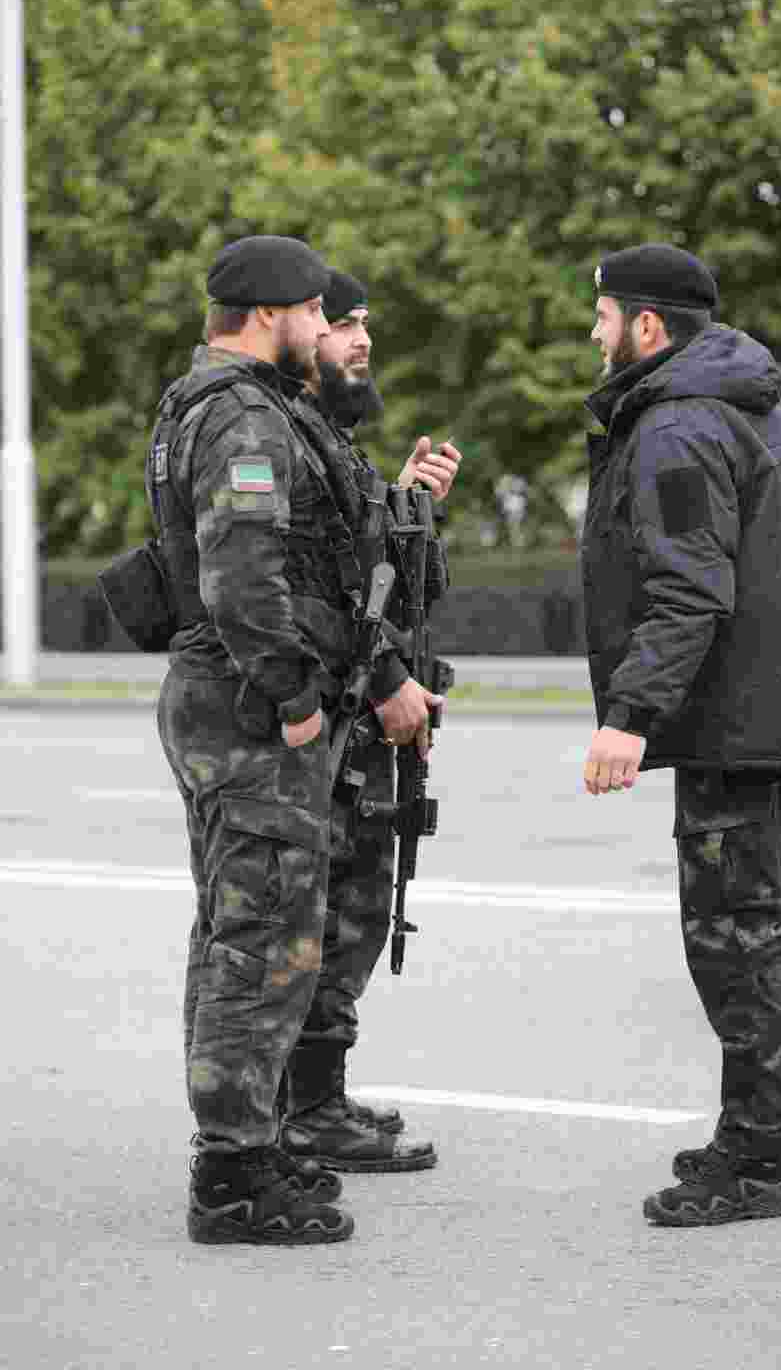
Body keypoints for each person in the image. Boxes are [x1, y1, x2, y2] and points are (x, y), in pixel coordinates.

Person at [153, 235, 440, 1244]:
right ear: (274, 312)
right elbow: (242, 576)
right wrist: (295, 700)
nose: (329, 331)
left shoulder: (241, 405)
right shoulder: (240, 416)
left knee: (250, 934)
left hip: (236, 704)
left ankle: (256, 1142)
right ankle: (233, 1178)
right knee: (261, 944)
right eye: (319, 313)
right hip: (249, 710)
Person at [579, 242, 781, 1227]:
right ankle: (763, 1143)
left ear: (647, 325)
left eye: (604, 314)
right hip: (774, 713)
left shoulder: (682, 425)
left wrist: (629, 716)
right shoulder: (752, 403)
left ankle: (750, 1164)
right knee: (754, 936)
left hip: (741, 728)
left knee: (732, 945)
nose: (596, 332)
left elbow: (689, 588)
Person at [276, 269, 462, 1175]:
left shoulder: (336, 450)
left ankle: (319, 1101)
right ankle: (302, 1112)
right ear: (302, 333)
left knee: (350, 906)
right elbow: (323, 596)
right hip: (338, 721)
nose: (362, 341)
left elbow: (386, 582)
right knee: (329, 911)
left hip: (361, 723)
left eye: (364, 327)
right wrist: (389, 680)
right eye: (342, 324)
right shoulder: (290, 440)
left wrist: (411, 505)